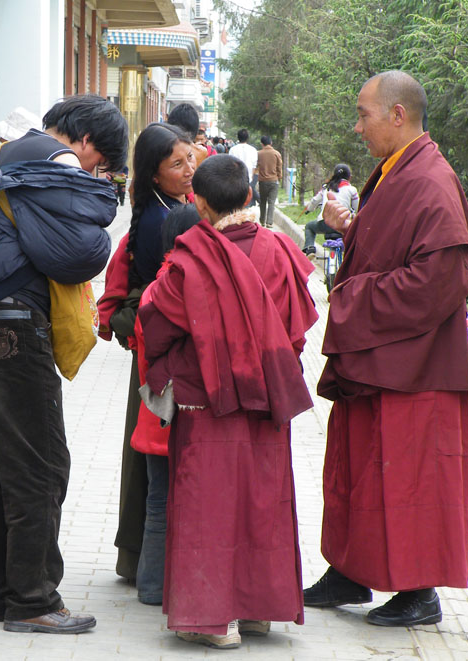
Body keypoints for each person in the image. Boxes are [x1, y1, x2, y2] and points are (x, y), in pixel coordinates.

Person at [0, 94, 128, 634]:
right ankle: (33, 599)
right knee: (40, 464)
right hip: (9, 318)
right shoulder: (56, 162)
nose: (95, 174)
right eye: (99, 164)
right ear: (84, 142)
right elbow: (82, 248)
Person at [302, 71, 468, 627]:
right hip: (380, 360)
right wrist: (348, 230)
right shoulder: (395, 172)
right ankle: (351, 572)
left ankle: (419, 591)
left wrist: (353, 299)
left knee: (410, 478)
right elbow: (394, 245)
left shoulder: (430, 179)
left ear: (398, 115)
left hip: (416, 367)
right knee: (356, 470)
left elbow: (443, 276)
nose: (358, 127)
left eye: (364, 115)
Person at [139, 154, 318, 649]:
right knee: (263, 498)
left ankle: (214, 621)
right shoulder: (280, 251)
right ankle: (259, 611)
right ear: (247, 197)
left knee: (207, 505)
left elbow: (157, 324)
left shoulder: (188, 258)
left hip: (207, 400)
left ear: (198, 204)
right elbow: (299, 327)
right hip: (265, 399)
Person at [97, 122, 196, 587]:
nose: (189, 170)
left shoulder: (165, 207)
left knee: (146, 451)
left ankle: (140, 559)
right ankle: (149, 566)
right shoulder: (163, 221)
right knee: (154, 453)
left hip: (151, 347)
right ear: (154, 175)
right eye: (177, 164)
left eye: (190, 159)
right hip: (161, 349)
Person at [129, 204, 202, 607]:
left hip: (154, 413)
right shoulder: (182, 285)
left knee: (158, 502)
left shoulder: (156, 284)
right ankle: (169, 585)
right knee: (180, 502)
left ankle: (151, 586)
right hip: (180, 416)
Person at [301, 164, 359, 255]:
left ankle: (310, 248)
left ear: (334, 175)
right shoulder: (352, 190)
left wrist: (309, 209)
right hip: (342, 224)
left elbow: (314, 201)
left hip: (325, 223)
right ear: (349, 177)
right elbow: (357, 208)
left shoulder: (326, 187)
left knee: (309, 226)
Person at [255, 135, 283, 228]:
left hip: (262, 181)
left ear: (262, 144)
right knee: (271, 202)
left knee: (262, 201)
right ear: (271, 143)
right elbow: (279, 167)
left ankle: (262, 220)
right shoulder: (276, 153)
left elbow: (256, 166)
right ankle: (269, 222)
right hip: (273, 181)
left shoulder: (259, 154)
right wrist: (279, 176)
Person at [228, 129, 258, 207]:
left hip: (236, 178)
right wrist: (252, 176)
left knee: (237, 201)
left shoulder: (233, 149)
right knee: (247, 200)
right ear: (247, 138)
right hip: (248, 179)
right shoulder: (253, 150)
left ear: (238, 137)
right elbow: (254, 166)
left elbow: (230, 164)